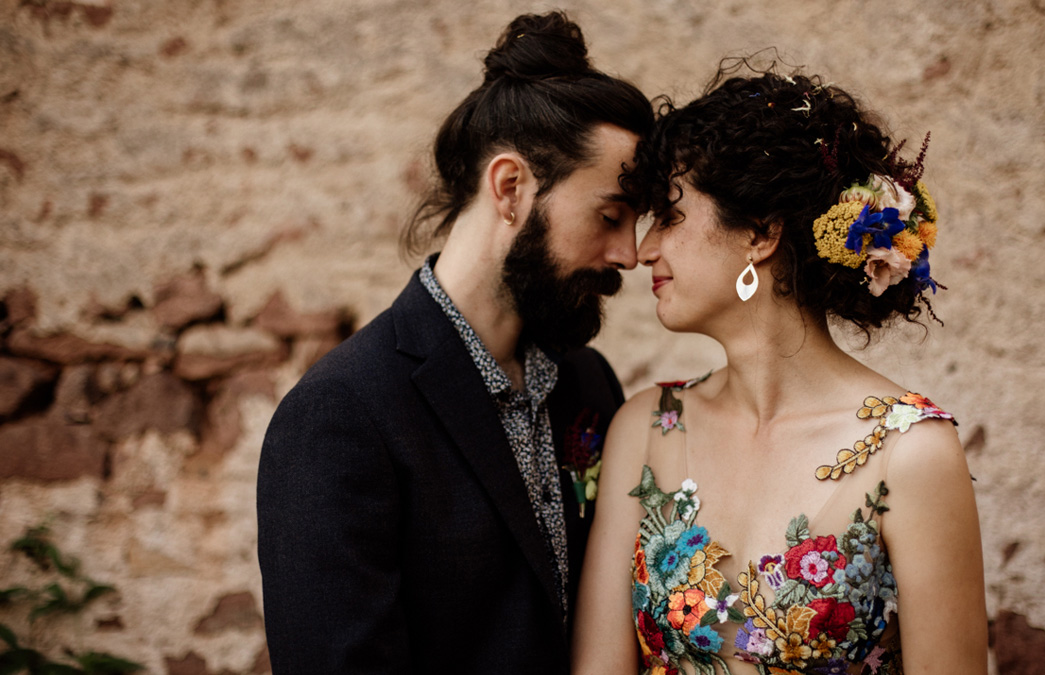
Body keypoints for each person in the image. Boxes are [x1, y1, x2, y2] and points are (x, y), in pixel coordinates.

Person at [257, 12, 653, 674]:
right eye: (609, 216)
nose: (629, 254)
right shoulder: (341, 414)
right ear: (510, 187)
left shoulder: (589, 384)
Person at [572, 63, 987, 675]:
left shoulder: (911, 453)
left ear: (761, 233)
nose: (643, 250)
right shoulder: (645, 429)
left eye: (669, 215)